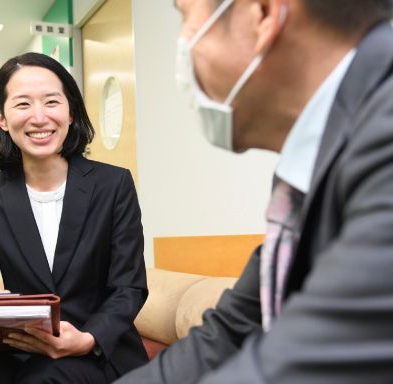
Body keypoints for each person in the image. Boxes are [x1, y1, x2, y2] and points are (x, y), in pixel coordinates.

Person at [116, 0, 393, 383]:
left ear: (261, 13)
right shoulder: (310, 166)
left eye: (186, 15)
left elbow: (295, 366)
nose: (182, 44)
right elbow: (229, 333)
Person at [0, 52, 148, 383]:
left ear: (71, 111)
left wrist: (87, 339)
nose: (39, 117)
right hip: (16, 347)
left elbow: (128, 287)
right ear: (2, 118)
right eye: (23, 104)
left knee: (47, 379)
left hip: (94, 348)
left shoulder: (114, 185)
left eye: (51, 101)